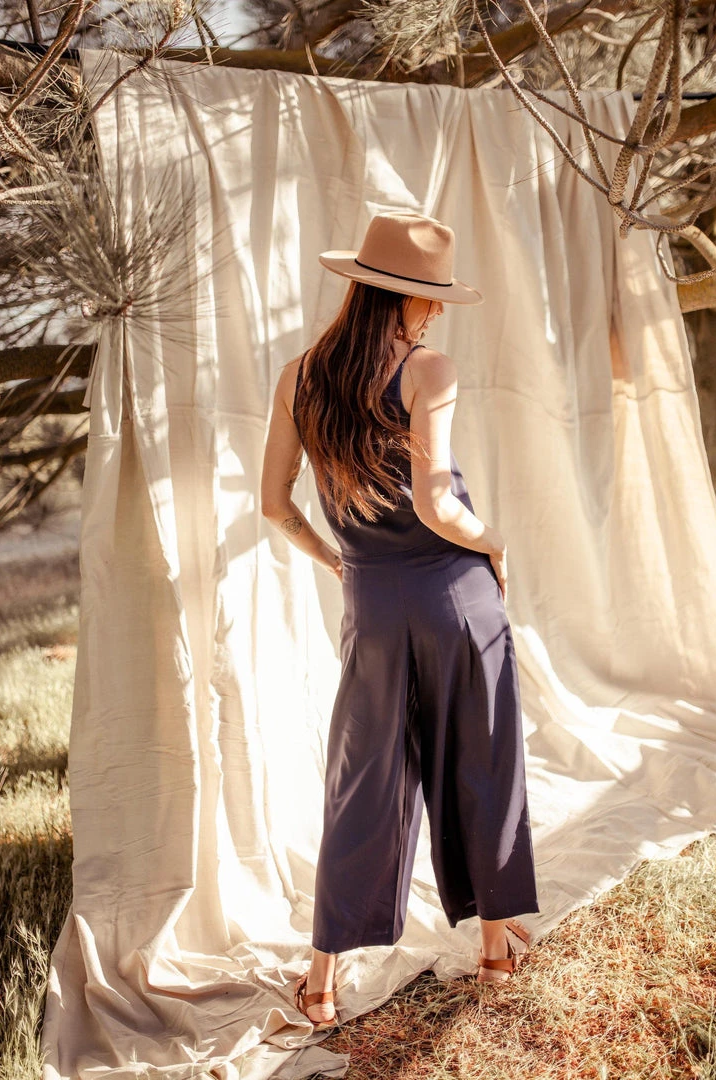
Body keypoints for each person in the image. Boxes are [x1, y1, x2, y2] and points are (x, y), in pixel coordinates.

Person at [260, 211, 539, 1030]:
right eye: (431, 296)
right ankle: (495, 951)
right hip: (456, 593)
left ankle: (320, 983)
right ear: (397, 297)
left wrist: (338, 559)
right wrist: (495, 543)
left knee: (362, 782)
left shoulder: (298, 377)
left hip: (373, 606)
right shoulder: (429, 371)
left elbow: (274, 504)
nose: (439, 311)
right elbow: (437, 505)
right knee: (483, 757)